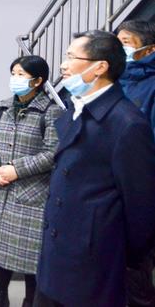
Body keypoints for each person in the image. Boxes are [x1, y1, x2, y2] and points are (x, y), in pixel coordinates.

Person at [35, 30, 155, 307]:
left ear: (99, 67)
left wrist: (125, 259)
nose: (63, 65)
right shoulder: (76, 109)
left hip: (94, 263)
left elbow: (141, 208)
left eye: (71, 57)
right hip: (58, 254)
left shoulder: (127, 124)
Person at [0, 56, 62, 307]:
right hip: (0, 187)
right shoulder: (3, 107)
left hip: (31, 192)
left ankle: (30, 300)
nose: (15, 78)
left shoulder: (51, 111)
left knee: (30, 253)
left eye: (21, 74)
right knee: (0, 248)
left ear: (38, 80)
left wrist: (16, 169)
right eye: (13, 73)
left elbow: (53, 153)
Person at [116, 20, 155, 307]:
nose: (119, 48)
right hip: (108, 188)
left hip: (139, 190)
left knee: (135, 272)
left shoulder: (151, 86)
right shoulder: (113, 80)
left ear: (149, 49)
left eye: (126, 42)